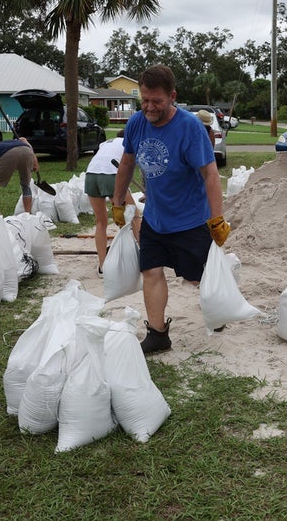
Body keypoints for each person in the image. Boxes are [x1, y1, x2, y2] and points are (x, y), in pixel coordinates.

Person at [111, 64, 230, 355]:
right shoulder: (137, 123)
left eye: (157, 101)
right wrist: (116, 202)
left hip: (190, 220)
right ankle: (158, 334)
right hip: (155, 217)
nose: (150, 107)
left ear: (172, 96)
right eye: (145, 100)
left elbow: (210, 174)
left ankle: (218, 308)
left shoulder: (189, 128)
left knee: (197, 278)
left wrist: (216, 218)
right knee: (151, 271)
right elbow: (127, 163)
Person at [84, 129, 141, 278]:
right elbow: (129, 168)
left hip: (91, 175)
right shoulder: (129, 143)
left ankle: (103, 267)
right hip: (111, 175)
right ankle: (145, 256)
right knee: (135, 216)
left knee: (101, 221)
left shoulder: (105, 143)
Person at [0, 137, 39, 216]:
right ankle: (28, 214)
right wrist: (35, 160)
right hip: (27, 151)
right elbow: (25, 141)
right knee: (26, 185)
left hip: (9, 153)